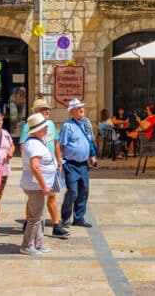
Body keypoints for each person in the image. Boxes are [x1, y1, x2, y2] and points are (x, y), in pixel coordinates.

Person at [19, 99, 68, 238]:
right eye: (43, 109)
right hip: (37, 168)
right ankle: (29, 221)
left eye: (48, 108)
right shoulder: (28, 127)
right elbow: (23, 146)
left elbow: (56, 143)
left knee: (52, 196)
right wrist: (28, 164)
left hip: (50, 166)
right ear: (35, 112)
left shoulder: (51, 124)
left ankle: (56, 225)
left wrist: (59, 161)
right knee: (34, 199)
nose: (47, 111)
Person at [19, 112, 57, 256]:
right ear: (38, 130)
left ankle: (38, 244)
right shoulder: (34, 144)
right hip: (35, 186)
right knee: (36, 217)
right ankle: (27, 245)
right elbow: (35, 167)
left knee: (41, 215)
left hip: (37, 185)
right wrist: (43, 186)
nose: (47, 129)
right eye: (45, 127)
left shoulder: (37, 141)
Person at [60, 99, 97, 228]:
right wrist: (60, 162)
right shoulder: (67, 126)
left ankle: (79, 218)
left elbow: (90, 142)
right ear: (72, 111)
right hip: (70, 164)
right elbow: (61, 145)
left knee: (84, 191)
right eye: (78, 108)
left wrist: (92, 157)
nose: (81, 109)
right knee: (73, 191)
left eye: (82, 107)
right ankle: (65, 218)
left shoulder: (86, 124)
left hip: (83, 164)